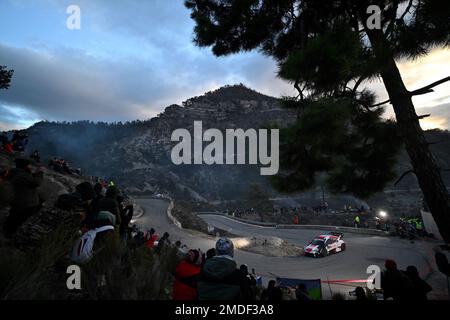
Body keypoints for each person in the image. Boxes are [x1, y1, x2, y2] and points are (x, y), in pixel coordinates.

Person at [3, 158, 44, 238]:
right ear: (25, 166)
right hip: (24, 203)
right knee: (17, 219)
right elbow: (36, 182)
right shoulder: (22, 175)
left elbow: (29, 179)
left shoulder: (17, 173)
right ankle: (8, 234)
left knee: (13, 216)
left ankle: (7, 230)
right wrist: (40, 173)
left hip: (18, 200)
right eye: (29, 165)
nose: (30, 167)